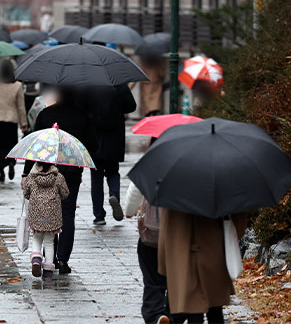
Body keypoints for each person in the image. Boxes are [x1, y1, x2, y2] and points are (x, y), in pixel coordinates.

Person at [22, 88, 97, 274]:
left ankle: (50, 257)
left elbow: (35, 145)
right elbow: (93, 145)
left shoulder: (46, 114)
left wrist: (25, 173)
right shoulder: (82, 116)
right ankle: (63, 260)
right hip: (71, 173)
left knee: (49, 209)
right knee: (68, 214)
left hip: (47, 170)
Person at [158, 210, 248, 323]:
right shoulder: (221, 192)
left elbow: (165, 227)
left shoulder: (173, 193)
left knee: (194, 309)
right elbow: (238, 222)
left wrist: (163, 264)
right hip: (214, 251)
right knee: (215, 309)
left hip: (183, 254)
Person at [87, 84, 136, 225]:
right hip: (114, 137)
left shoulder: (90, 85)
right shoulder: (119, 84)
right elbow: (131, 106)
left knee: (96, 177)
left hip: (94, 137)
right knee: (113, 172)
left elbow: (82, 106)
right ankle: (114, 195)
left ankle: (99, 215)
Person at [125, 181, 171, 324]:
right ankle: (172, 314)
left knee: (152, 279)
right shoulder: (192, 166)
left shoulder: (151, 164)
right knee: (176, 280)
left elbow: (135, 191)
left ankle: (155, 314)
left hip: (151, 234)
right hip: (178, 236)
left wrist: (129, 211)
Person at [0, 59, 28, 182]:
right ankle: (11, 162)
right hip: (11, 120)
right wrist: (24, 123)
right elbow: (21, 106)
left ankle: (1, 171)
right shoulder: (18, 85)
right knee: (11, 144)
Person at [23, 162, 69, 281]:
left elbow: (26, 193)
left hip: (36, 214)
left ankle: (36, 260)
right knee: (49, 242)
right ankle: (48, 273)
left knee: (37, 238)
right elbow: (65, 194)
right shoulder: (58, 177)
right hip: (52, 215)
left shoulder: (32, 177)